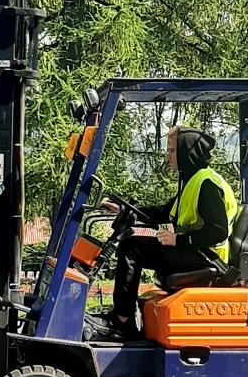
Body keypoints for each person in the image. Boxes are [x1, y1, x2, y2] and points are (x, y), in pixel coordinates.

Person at [100, 127, 238, 341]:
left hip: (206, 256)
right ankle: (124, 316)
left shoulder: (206, 184)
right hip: (193, 250)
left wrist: (178, 239)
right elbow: (163, 214)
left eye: (172, 151)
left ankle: (122, 320)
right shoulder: (191, 180)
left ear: (186, 152)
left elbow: (218, 231)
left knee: (132, 246)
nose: (168, 156)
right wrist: (124, 209)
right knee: (133, 239)